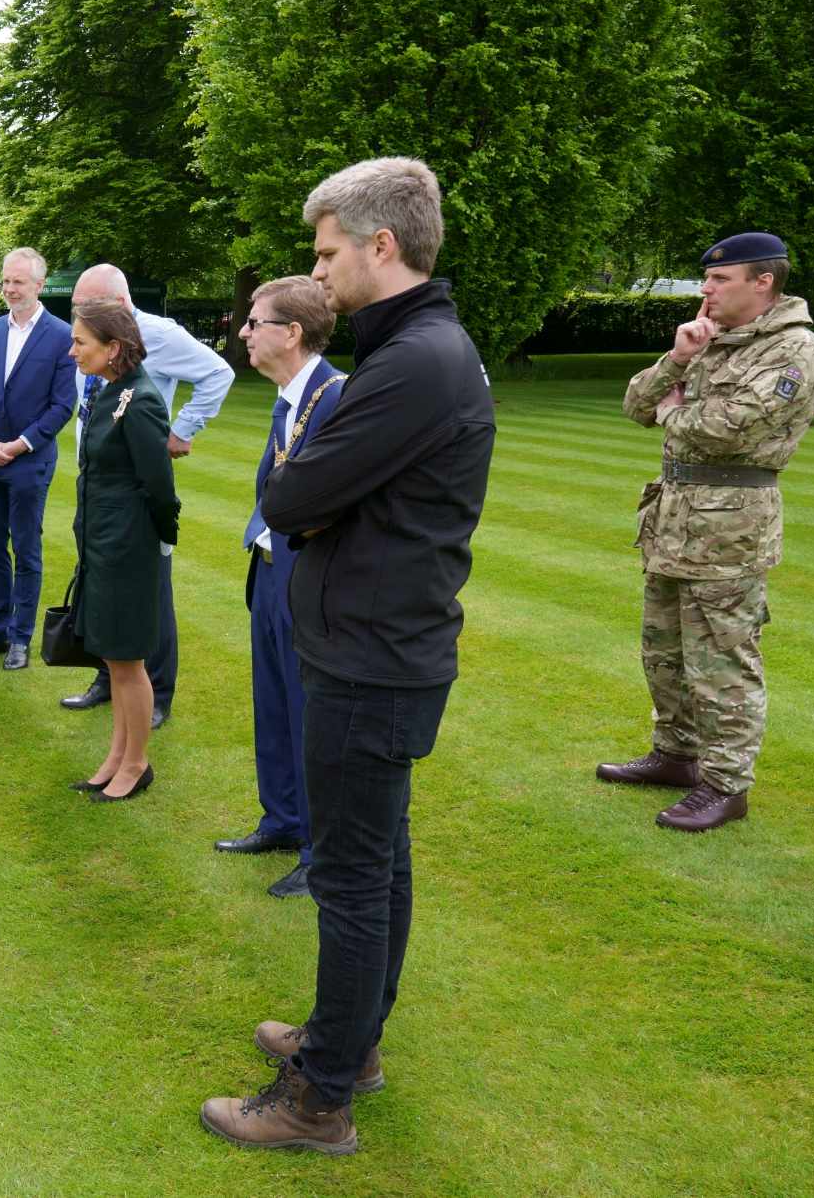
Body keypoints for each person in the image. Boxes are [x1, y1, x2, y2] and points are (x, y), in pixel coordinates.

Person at [202, 157, 494, 1154]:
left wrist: (305, 487)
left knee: (356, 876)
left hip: (371, 657)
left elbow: (287, 501)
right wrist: (313, 489)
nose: (316, 274)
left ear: (381, 245)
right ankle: (348, 1038)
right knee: (378, 860)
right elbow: (312, 494)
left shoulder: (417, 362)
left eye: (326, 252)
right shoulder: (410, 351)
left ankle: (319, 1096)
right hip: (376, 645)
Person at [599, 233, 814, 830]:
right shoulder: (712, 339)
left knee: (723, 659)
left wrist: (674, 409)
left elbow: (727, 429)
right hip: (674, 521)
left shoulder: (794, 350)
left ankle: (726, 785)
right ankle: (676, 756)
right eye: (707, 278)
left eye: (720, 279)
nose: (706, 289)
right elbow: (634, 406)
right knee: (665, 650)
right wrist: (677, 360)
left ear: (763, 282)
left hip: (730, 532)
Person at [59, 264, 234, 727]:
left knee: (150, 589)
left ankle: (155, 691)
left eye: (87, 307)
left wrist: (182, 429)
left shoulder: (162, 336)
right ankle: (107, 675)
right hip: (96, 478)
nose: (78, 318)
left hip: (134, 487)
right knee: (96, 580)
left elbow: (219, 372)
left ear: (117, 305)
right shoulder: (91, 343)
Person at [215, 277, 344, 899]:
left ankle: (321, 849)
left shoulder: (333, 397)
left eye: (253, 322)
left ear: (291, 333)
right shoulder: (287, 399)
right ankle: (283, 819)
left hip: (306, 578)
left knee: (306, 711)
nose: (243, 332)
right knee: (272, 702)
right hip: (268, 570)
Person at [64, 300, 180, 801]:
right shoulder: (113, 391)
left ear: (113, 348)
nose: (72, 351)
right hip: (101, 544)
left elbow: (159, 484)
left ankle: (136, 763)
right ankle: (115, 756)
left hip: (128, 550)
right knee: (113, 659)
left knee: (129, 662)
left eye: (81, 343)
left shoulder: (142, 399)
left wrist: (153, 539)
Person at [0, 247, 77, 670]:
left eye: (19, 282)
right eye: (6, 281)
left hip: (29, 461)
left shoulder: (63, 335)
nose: (10, 289)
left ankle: (20, 638)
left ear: (39, 285)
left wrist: (20, 444)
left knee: (25, 549)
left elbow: (63, 405)